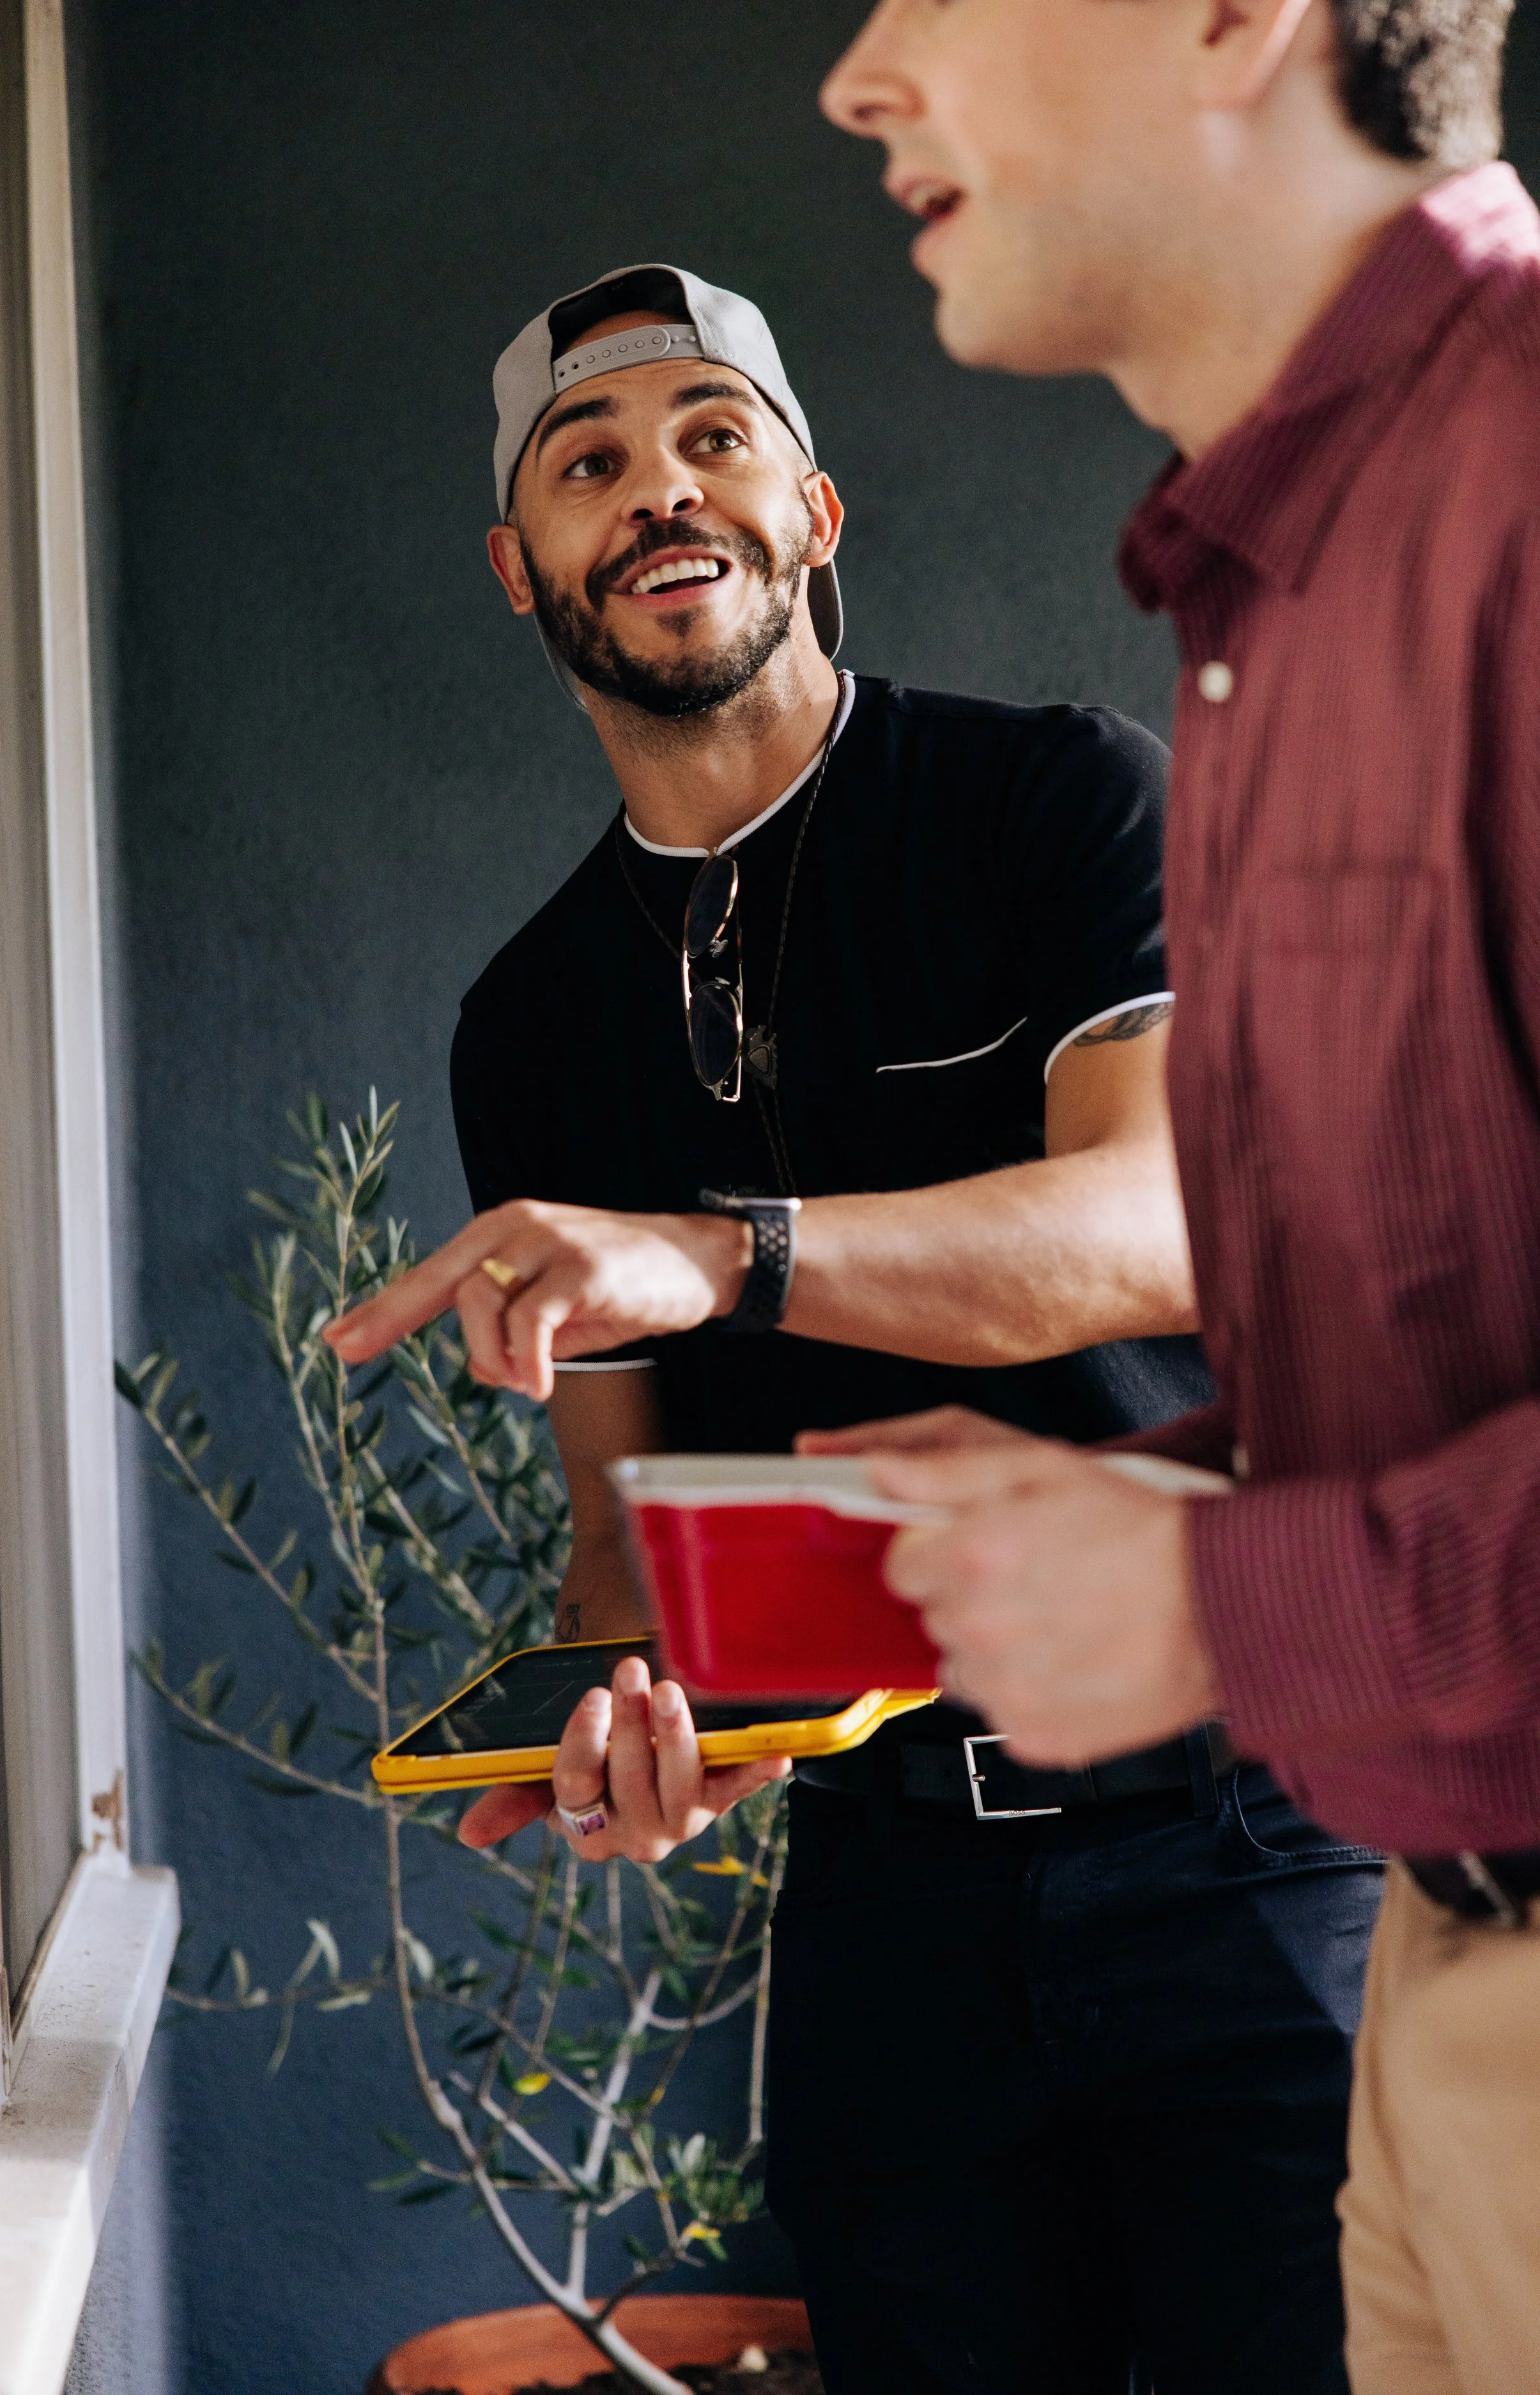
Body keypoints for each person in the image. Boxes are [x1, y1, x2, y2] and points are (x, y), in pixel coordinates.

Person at [329, 260, 1381, 2395]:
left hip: (1246, 1838)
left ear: (815, 511)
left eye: (715, 434)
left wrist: (718, 1250)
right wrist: (648, 1736)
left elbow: (1164, 1225)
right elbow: (627, 1552)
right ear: (517, 565)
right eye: (589, 461)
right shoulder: (527, 1027)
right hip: (891, 1907)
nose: (658, 488)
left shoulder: (1053, 803)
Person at [817, 4, 1539, 2389]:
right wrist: (1082, 1530)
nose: (860, 74)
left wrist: (1222, 1600)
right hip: (1433, 2008)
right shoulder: (1264, 606)